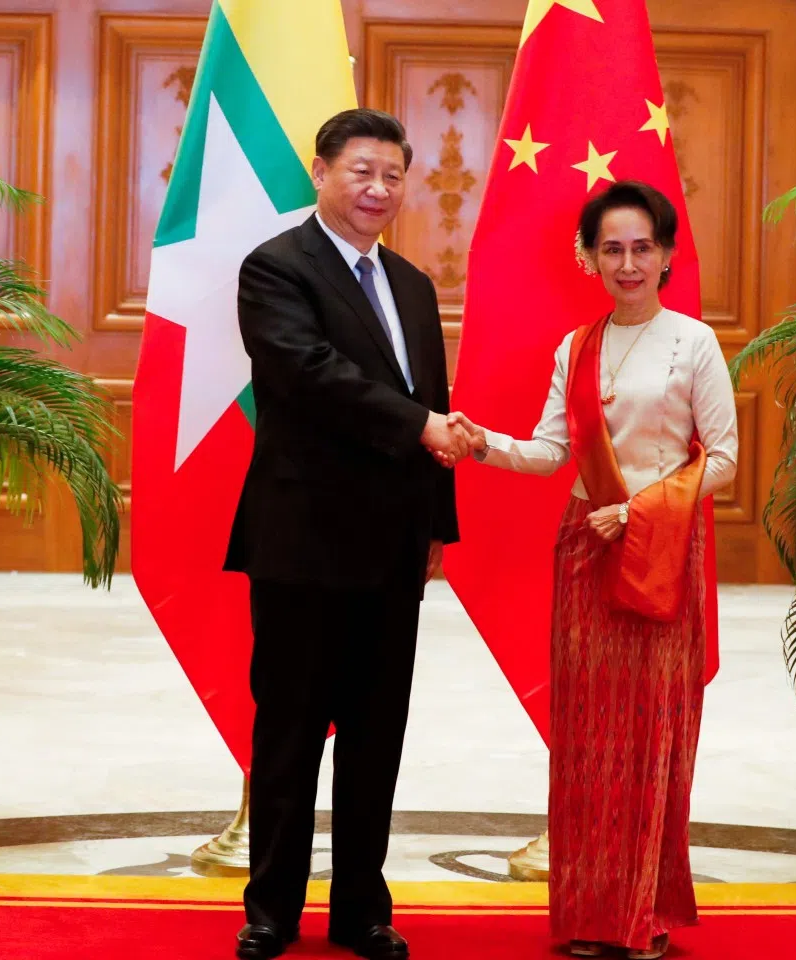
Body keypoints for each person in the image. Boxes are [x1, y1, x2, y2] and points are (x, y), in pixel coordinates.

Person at [449, 181, 738, 960]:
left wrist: (640, 510)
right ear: (589, 258)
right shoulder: (575, 347)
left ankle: (639, 915)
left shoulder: (694, 342)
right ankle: (587, 913)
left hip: (660, 549)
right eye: (611, 248)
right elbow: (551, 452)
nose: (628, 262)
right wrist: (482, 443)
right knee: (586, 737)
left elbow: (727, 460)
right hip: (585, 544)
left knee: (648, 736)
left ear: (668, 255)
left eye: (643, 246)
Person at [224, 108, 466, 960]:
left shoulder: (411, 284)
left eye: (394, 175)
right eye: (361, 171)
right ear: (321, 172)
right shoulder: (275, 269)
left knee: (376, 737)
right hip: (302, 540)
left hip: (392, 548)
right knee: (288, 733)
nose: (378, 189)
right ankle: (272, 913)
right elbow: (309, 377)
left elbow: (429, 397)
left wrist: (437, 524)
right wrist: (423, 429)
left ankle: (364, 908)